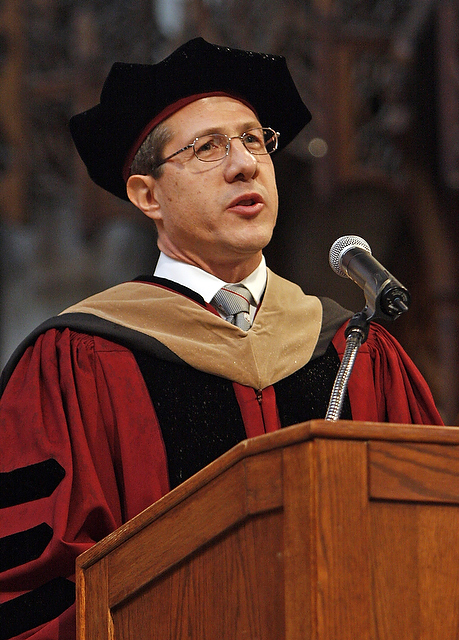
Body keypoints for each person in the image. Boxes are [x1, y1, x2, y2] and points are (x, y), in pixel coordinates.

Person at [0, 37, 442, 640]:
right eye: (207, 148)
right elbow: (34, 592)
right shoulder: (76, 363)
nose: (244, 164)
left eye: (254, 139)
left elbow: (432, 545)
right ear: (147, 194)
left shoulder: (358, 350)